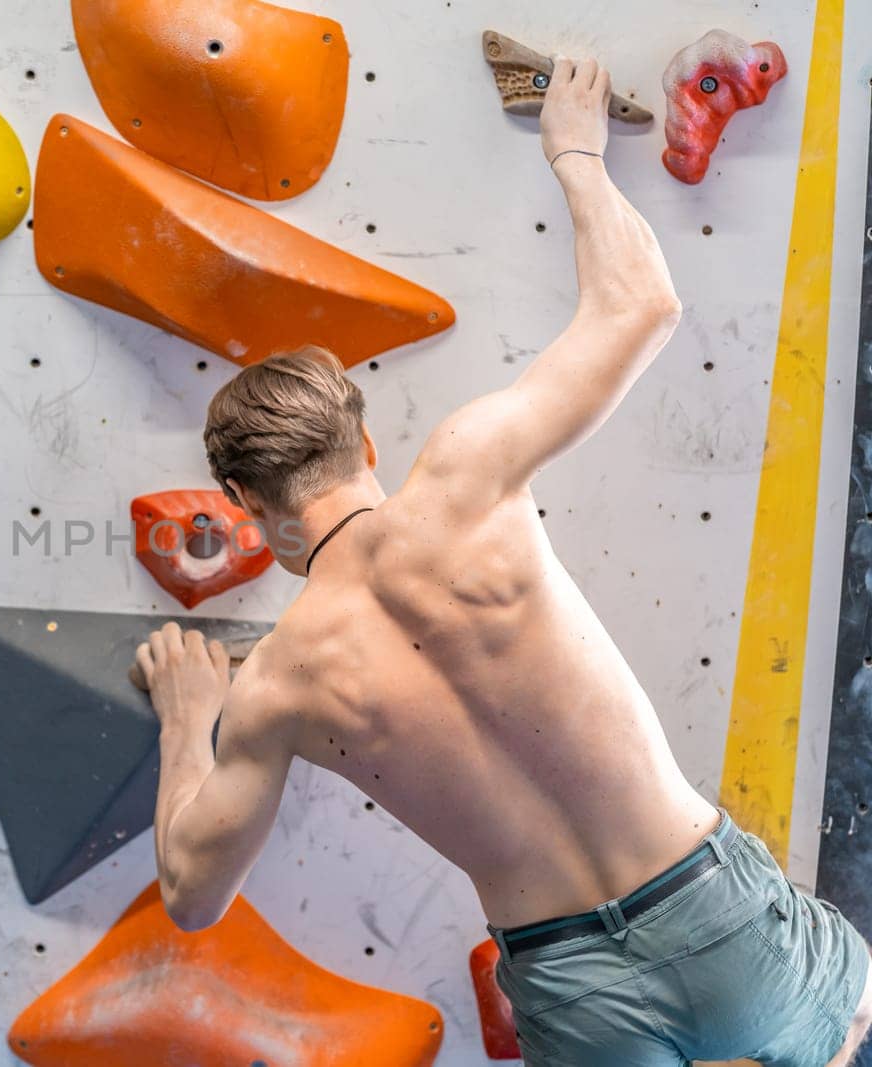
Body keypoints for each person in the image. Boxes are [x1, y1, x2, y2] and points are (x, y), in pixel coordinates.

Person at [133, 56, 872, 1067]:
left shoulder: (278, 687)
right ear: (367, 445)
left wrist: (186, 720)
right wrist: (573, 155)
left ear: (247, 509)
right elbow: (642, 305)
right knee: (847, 1012)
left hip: (570, 977)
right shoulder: (467, 472)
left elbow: (191, 892)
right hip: (711, 908)